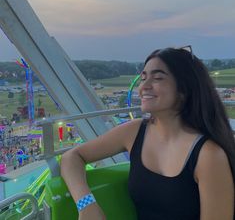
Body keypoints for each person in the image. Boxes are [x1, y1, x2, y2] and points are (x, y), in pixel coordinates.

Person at [61, 46, 235, 220]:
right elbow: (72, 157)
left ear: (184, 90)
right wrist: (87, 205)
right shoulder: (134, 131)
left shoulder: (209, 155)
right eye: (143, 78)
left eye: (158, 78)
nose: (144, 86)